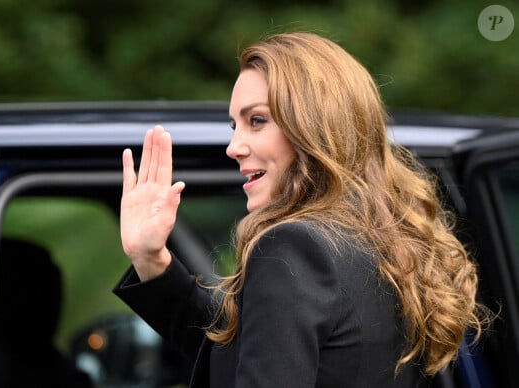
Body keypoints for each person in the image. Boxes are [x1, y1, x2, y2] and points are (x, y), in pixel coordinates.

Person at [113, 32, 489, 387]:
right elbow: (244, 353)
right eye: (234, 125)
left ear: (313, 126)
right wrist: (151, 260)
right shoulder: (384, 240)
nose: (234, 146)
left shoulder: (292, 247)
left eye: (256, 120)